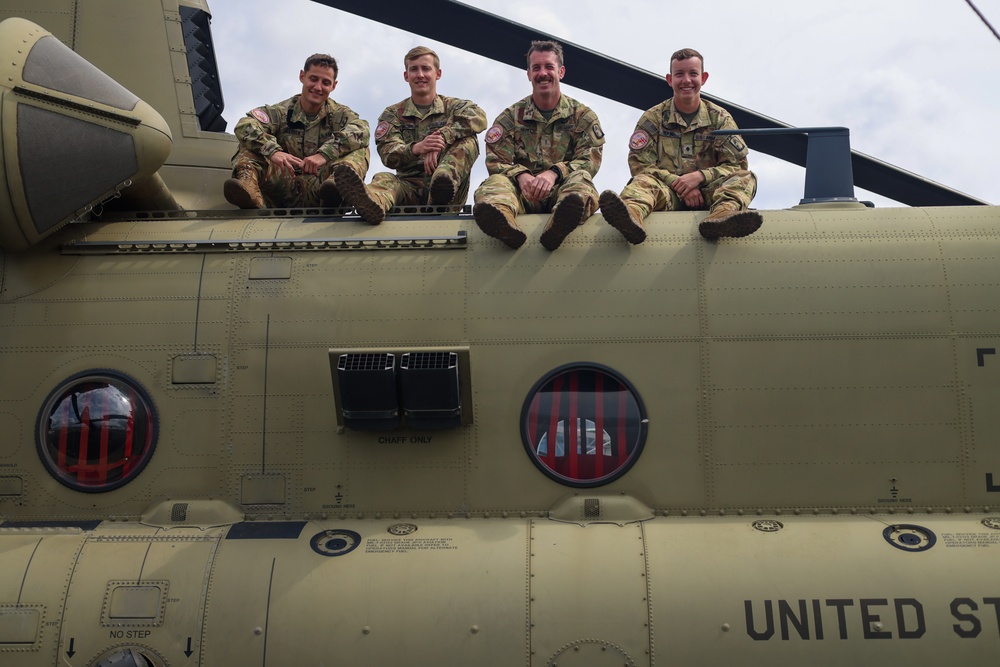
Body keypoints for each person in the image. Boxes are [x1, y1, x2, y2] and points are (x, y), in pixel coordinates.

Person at [599, 48, 762, 243]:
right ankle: (631, 217)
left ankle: (722, 217)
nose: (686, 80)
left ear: (704, 78)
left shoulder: (719, 118)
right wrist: (679, 184)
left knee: (746, 178)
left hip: (710, 195)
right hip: (667, 194)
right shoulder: (654, 118)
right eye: (679, 74)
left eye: (693, 73)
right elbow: (640, 165)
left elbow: (737, 166)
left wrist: (700, 177)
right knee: (643, 182)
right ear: (669, 79)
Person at [473, 40, 604, 251]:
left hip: (561, 190)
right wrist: (521, 175)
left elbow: (589, 160)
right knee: (495, 182)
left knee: (582, 182)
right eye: (536, 68)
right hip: (522, 195)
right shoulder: (510, 118)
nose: (542, 73)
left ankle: (559, 224)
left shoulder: (582, 116)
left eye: (549, 67)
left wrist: (554, 173)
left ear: (561, 72)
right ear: (528, 74)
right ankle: (503, 223)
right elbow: (496, 160)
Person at [334, 47, 487, 224]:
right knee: (385, 178)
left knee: (469, 140)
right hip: (408, 188)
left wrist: (443, 138)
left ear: (438, 73)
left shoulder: (453, 107)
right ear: (406, 76)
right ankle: (371, 202)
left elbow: (479, 118)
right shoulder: (392, 114)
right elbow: (388, 153)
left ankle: (443, 182)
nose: (420, 74)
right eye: (414, 69)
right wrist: (417, 148)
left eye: (426, 68)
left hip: (449, 192)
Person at [224, 53, 371, 213]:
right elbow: (245, 125)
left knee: (360, 147)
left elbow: (362, 129)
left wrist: (324, 154)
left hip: (323, 189)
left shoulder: (339, 115)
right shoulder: (280, 112)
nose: (318, 87)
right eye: (313, 79)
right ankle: (248, 188)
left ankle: (338, 186)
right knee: (250, 144)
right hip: (284, 188)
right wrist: (273, 151)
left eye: (325, 82)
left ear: (333, 86)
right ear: (302, 76)